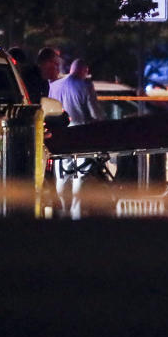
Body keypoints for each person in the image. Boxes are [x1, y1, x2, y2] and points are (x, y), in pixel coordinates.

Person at [48, 58, 105, 219]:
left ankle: (61, 210)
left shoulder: (55, 85)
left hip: (60, 134)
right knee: (82, 173)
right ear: (83, 70)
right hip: (82, 134)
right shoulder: (85, 85)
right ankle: (76, 212)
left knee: (62, 173)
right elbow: (95, 113)